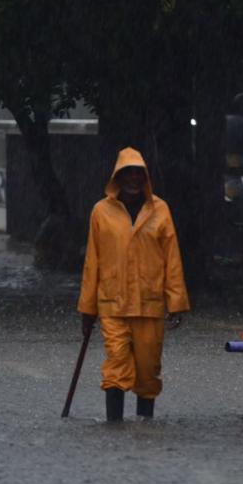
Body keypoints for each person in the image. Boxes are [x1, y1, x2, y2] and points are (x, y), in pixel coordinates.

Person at [77, 147, 190, 421]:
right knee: (116, 365)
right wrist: (87, 309)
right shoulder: (101, 212)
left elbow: (171, 259)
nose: (133, 180)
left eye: (138, 174)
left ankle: (144, 424)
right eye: (127, 174)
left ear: (145, 178)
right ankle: (114, 426)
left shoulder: (160, 210)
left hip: (149, 305)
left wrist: (176, 302)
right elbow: (93, 262)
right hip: (113, 305)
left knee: (148, 370)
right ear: (117, 177)